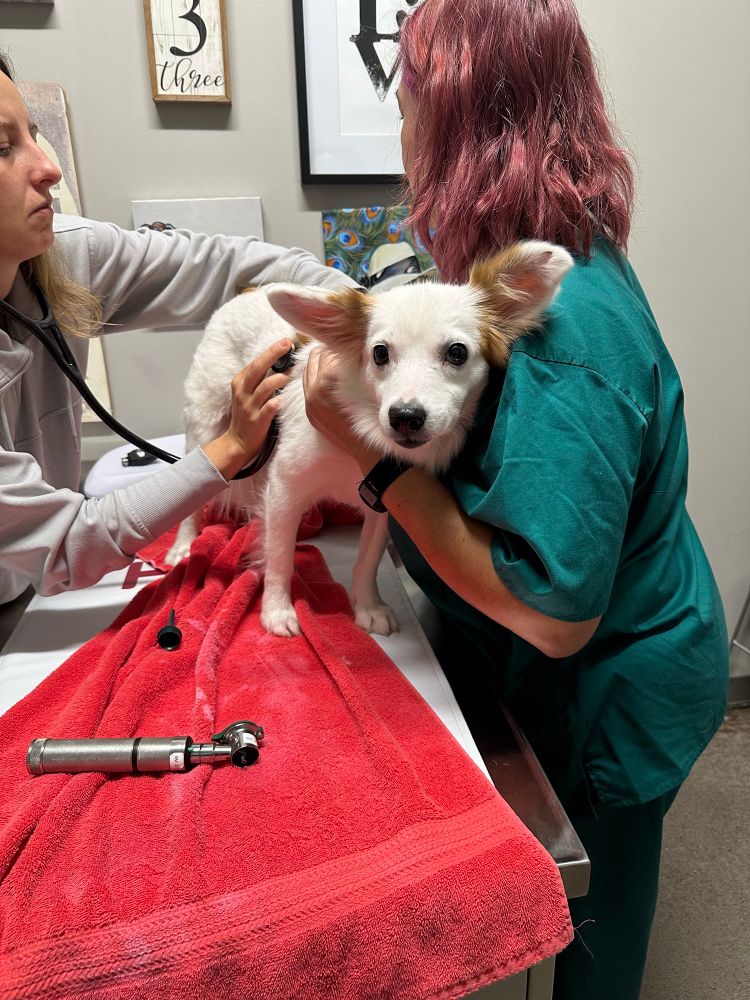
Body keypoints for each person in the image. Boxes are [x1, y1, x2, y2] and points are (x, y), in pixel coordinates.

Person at [301, 2, 729, 998]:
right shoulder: (520, 268)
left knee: (595, 923)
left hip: (621, 678)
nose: (400, 132)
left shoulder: (565, 329)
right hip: (586, 646)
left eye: (410, 106)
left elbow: (557, 614)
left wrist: (374, 462)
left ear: (460, 123)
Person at [0, 52, 354, 606]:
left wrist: (362, 320)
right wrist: (229, 448)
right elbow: (64, 545)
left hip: (39, 596)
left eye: (33, 135)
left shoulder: (62, 256)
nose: (49, 168)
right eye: (3, 147)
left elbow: (241, 266)